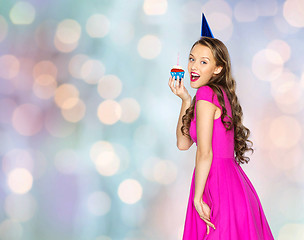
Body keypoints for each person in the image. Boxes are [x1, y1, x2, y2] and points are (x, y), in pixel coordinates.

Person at [168, 37, 275, 240]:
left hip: (217, 186)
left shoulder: (206, 93)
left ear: (218, 69)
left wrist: (198, 198)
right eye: (192, 59)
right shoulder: (215, 94)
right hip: (230, 184)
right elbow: (183, 144)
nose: (194, 66)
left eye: (203, 62)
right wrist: (185, 100)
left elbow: (205, 151)